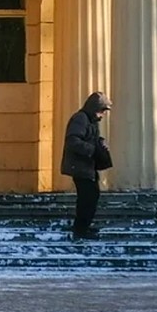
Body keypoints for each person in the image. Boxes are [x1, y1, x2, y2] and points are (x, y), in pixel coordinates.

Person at [61, 91, 114, 240]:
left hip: (87, 167)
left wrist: (100, 143)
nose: (102, 115)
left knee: (91, 197)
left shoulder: (90, 121)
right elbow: (73, 141)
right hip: (80, 167)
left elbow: (88, 138)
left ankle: (83, 228)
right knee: (87, 198)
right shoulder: (81, 119)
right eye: (102, 110)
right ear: (94, 108)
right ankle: (80, 230)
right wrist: (93, 149)